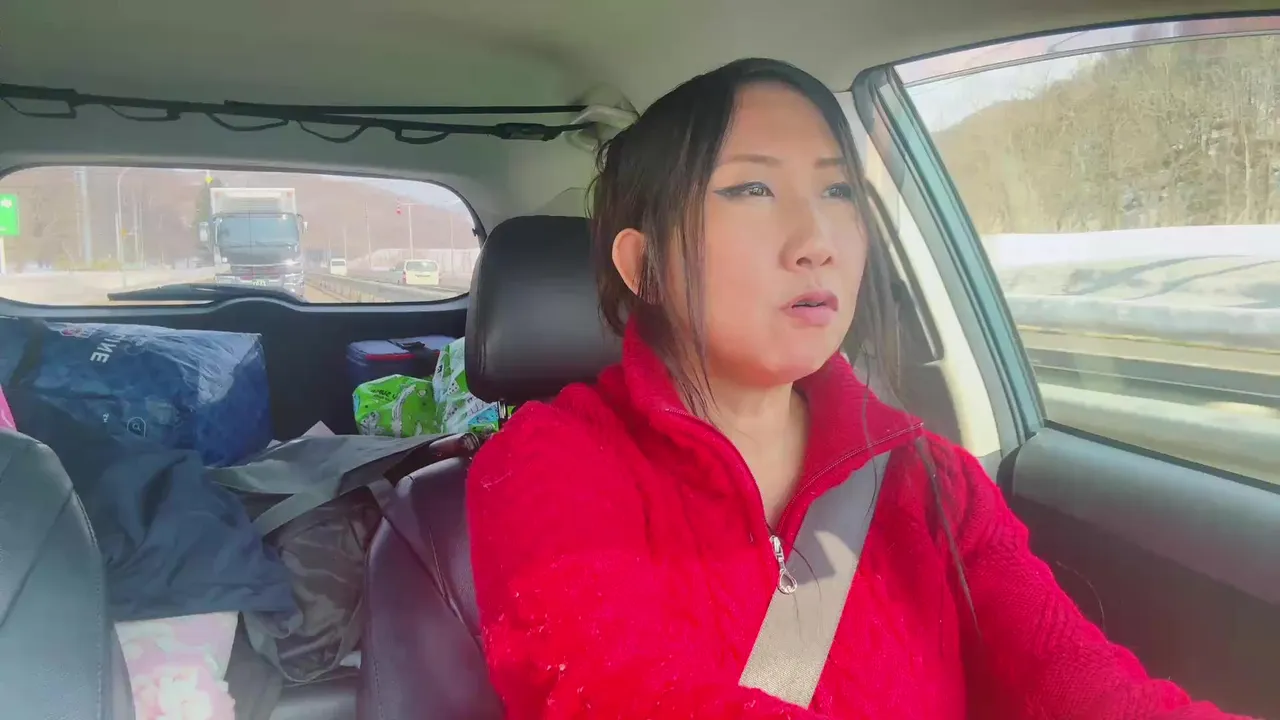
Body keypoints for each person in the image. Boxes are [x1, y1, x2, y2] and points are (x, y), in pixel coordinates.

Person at [465, 58, 1248, 719]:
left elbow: (1094, 690)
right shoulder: (548, 468)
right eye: (751, 190)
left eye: (838, 192)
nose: (817, 242)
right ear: (647, 267)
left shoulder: (929, 478)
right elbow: (622, 695)